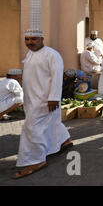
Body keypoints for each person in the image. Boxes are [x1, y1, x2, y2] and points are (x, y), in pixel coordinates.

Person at [13, 29, 72, 179]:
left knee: (32, 128)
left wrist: (53, 98)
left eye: (33, 39)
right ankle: (65, 141)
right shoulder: (30, 53)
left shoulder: (52, 55)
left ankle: (36, 160)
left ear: (42, 39)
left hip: (44, 99)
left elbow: (57, 77)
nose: (29, 42)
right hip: (32, 98)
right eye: (27, 39)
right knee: (51, 122)